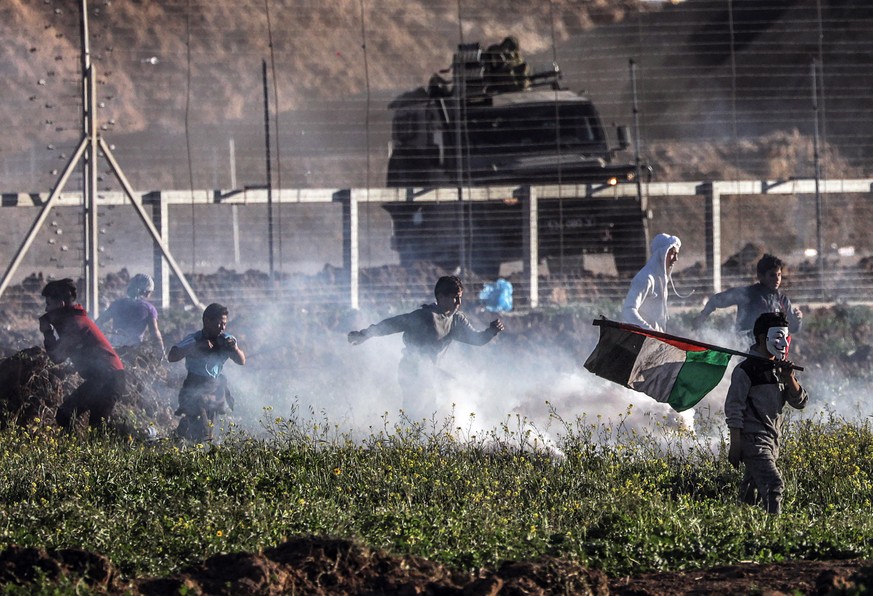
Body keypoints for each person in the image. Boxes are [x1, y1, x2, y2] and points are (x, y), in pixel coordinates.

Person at [347, 276, 504, 412]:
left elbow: (476, 340)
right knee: (420, 409)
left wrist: (491, 331)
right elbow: (392, 324)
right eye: (455, 297)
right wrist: (365, 334)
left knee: (451, 392)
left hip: (431, 371)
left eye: (460, 297)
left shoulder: (457, 320)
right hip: (412, 370)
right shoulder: (425, 316)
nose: (458, 302)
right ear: (441, 297)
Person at [725, 312, 808, 515]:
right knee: (774, 485)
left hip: (772, 441)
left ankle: (741, 529)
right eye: (778, 336)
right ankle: (774, 534)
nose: (783, 343)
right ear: (763, 338)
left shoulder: (781, 369)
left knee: (749, 495)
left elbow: (800, 402)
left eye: (786, 337)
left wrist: (789, 378)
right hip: (754, 441)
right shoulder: (746, 369)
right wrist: (735, 445)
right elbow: (734, 408)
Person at [39, 278, 126, 430]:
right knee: (95, 426)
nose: (46, 310)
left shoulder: (75, 324)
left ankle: (134, 439)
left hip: (108, 378)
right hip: (105, 377)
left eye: (48, 304)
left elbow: (56, 357)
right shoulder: (75, 320)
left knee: (68, 416)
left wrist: (47, 331)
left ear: (60, 304)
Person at [168, 303, 246, 442]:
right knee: (201, 425)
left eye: (224, 324)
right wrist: (194, 347)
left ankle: (184, 439)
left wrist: (234, 349)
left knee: (209, 427)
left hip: (215, 388)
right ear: (207, 321)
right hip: (194, 386)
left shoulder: (227, 340)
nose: (222, 327)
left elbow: (241, 361)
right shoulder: (195, 339)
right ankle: (183, 439)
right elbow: (172, 356)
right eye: (219, 324)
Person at [692, 253, 803, 339]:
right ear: (760, 276)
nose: (777, 279)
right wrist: (702, 317)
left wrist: (797, 320)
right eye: (772, 275)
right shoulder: (748, 294)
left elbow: (792, 328)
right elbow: (716, 300)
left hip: (773, 351)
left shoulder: (783, 301)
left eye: (779, 275)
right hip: (747, 349)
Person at [621, 233, 683, 332]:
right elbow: (628, 310)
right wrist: (649, 332)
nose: (676, 258)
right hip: (641, 341)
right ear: (662, 253)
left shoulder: (661, 280)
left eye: (677, 254)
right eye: (672, 253)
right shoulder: (645, 278)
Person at [97, 273, 165, 357]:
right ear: (146, 292)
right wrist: (161, 351)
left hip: (114, 350)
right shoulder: (149, 309)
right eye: (149, 292)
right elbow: (154, 333)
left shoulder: (117, 304)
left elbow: (99, 321)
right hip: (135, 353)